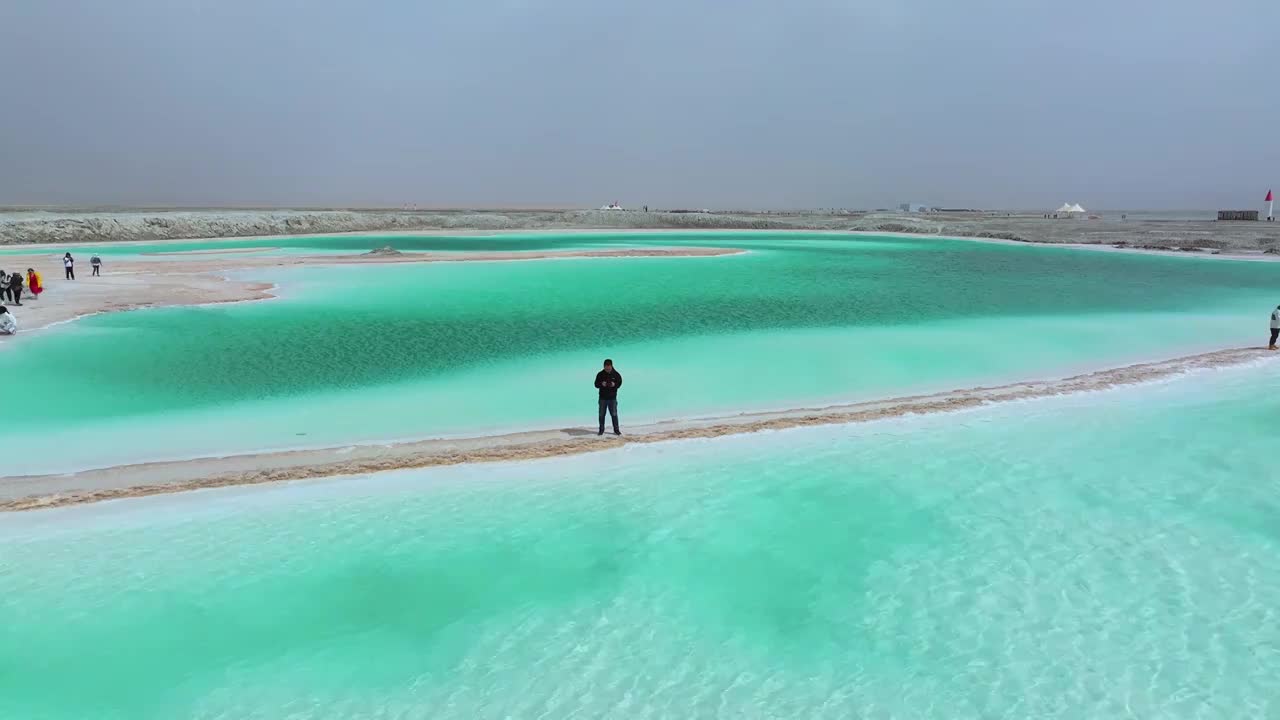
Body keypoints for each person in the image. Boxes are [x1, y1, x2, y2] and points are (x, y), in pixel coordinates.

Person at [594, 358, 623, 436]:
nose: (607, 369)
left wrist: (614, 385)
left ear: (611, 366)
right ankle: (601, 430)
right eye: (606, 368)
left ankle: (616, 430)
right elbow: (596, 384)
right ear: (604, 367)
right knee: (601, 415)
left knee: (614, 414)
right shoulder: (600, 374)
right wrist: (601, 384)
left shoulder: (616, 374)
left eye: (609, 368)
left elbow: (620, 383)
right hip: (602, 398)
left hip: (612, 398)